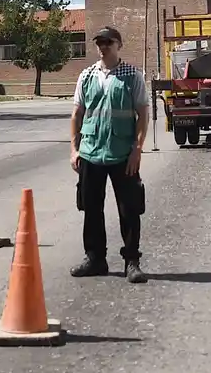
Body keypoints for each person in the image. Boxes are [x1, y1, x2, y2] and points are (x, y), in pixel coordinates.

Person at [70, 25, 150, 284]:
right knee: (91, 208)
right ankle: (95, 259)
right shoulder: (86, 75)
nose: (103, 47)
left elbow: (143, 114)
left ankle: (132, 261)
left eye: (108, 42)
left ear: (119, 45)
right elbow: (77, 114)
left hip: (122, 154)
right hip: (91, 152)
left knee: (129, 210)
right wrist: (74, 149)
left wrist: (137, 149)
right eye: (100, 43)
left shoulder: (132, 76)